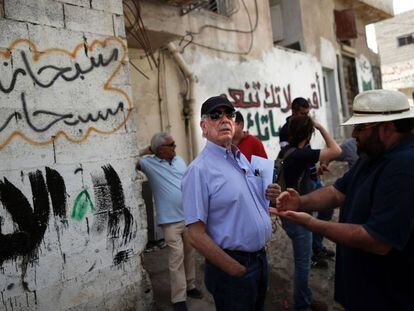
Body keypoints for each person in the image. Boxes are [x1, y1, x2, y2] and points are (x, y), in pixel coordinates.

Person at [274, 89, 414, 310]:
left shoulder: (404, 166)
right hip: (365, 292)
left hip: (388, 298)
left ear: (386, 129)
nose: (354, 135)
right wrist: (300, 202)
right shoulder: (373, 155)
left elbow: (377, 240)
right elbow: (337, 192)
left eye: (360, 128)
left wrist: (312, 223)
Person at [182, 95, 281, 311]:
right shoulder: (199, 171)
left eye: (230, 115)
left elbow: (246, 198)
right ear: (204, 126)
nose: (225, 119)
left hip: (260, 260)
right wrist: (234, 268)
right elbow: (195, 234)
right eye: (216, 115)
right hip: (234, 269)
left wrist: (269, 193)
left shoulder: (240, 157)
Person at [276, 115, 341, 311]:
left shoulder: (289, 151)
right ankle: (302, 305)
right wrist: (320, 127)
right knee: (303, 264)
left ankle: (305, 298)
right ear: (309, 133)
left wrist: (318, 170)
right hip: (294, 215)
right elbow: (336, 150)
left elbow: (305, 173)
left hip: (291, 211)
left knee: (303, 261)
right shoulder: (299, 154)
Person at [136, 132, 202, 311]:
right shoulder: (148, 163)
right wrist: (148, 150)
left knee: (189, 253)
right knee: (176, 257)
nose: (175, 147)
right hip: (170, 220)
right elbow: (128, 158)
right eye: (171, 145)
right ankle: (178, 298)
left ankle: (190, 286)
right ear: (159, 150)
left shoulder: (179, 160)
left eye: (174, 144)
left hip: (188, 216)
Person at [279, 97, 334, 268]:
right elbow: (295, 156)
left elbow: (307, 153)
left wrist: (319, 167)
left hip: (312, 177)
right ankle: (310, 254)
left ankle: (316, 247)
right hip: (301, 184)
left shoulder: (305, 126)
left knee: (327, 207)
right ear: (294, 111)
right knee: (306, 219)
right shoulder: (287, 130)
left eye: (307, 113)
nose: (307, 117)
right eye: (303, 113)